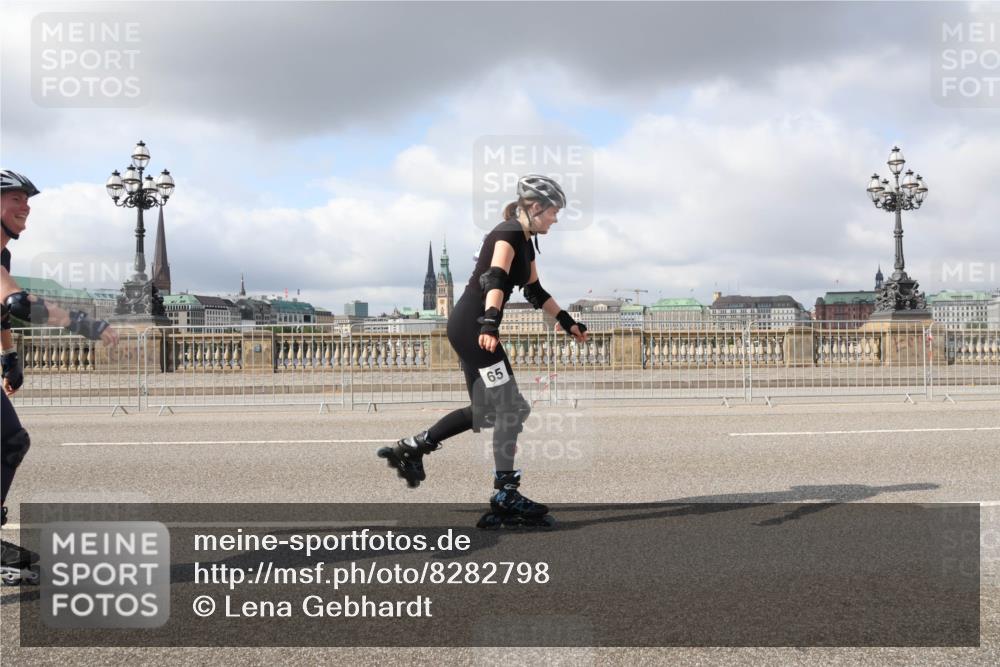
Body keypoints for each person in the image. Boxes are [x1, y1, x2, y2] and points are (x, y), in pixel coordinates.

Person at [378, 175, 588, 529]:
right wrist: (490, 324)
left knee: (485, 409)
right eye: (553, 212)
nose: (556, 219)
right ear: (535, 208)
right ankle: (506, 493)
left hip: (472, 325)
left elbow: (534, 292)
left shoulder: (526, 241)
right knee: (511, 407)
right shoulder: (506, 233)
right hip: (473, 327)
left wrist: (567, 321)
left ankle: (413, 447)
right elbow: (494, 278)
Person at [0, 169, 120, 584]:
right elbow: (15, 301)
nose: (25, 205)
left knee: (9, 440)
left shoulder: (3, 256)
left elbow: (1, 310)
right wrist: (84, 323)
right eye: (14, 198)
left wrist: (10, 356)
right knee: (9, 440)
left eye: (26, 199)